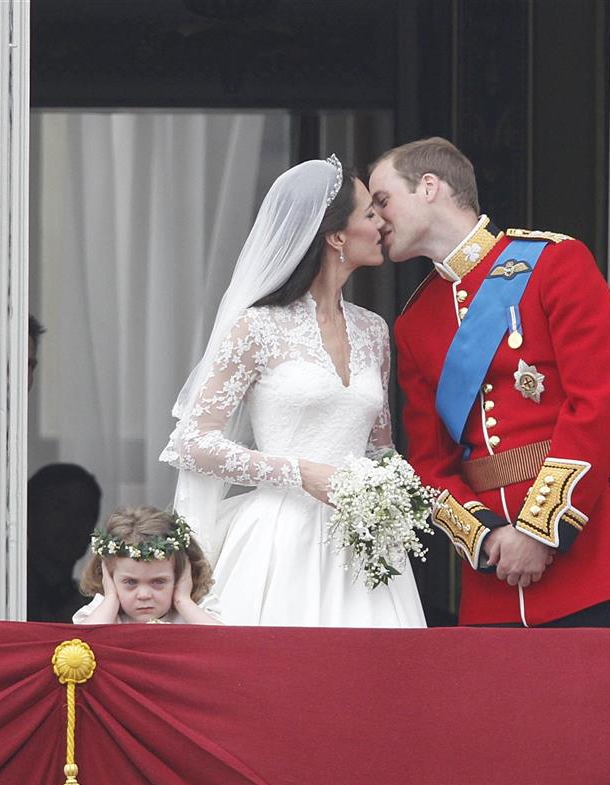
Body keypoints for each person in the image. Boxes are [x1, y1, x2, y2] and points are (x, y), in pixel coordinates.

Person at [369, 137, 610, 628]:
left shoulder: (553, 262)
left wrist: (538, 530)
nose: (377, 220)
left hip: (585, 555)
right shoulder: (416, 321)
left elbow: (600, 404)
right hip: (495, 577)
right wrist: (486, 537)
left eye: (383, 201)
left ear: (428, 187)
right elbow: (428, 462)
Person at [161, 155, 426, 627]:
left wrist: (396, 491)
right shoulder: (256, 327)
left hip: (365, 544)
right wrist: (300, 472)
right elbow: (192, 442)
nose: (382, 221)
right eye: (369, 213)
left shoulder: (373, 330)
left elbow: (379, 446)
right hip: (281, 539)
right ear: (336, 236)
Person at [72, 507, 221, 625]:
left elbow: (224, 644)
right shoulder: (102, 611)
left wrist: (182, 600)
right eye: (130, 582)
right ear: (108, 578)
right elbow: (81, 644)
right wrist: (110, 598)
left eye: (158, 582)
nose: (144, 595)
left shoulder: (195, 611)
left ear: (181, 576)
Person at [26, 463, 102, 622]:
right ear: (29, 514)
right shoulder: (8, 593)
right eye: (58, 509)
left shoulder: (93, 602)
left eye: (83, 513)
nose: (72, 523)